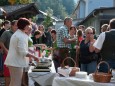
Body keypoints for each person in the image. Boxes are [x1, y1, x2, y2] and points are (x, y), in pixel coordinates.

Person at [4, 18, 39, 86]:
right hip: (16, 63)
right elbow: (22, 52)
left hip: (14, 62)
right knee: (16, 83)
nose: (29, 28)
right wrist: (34, 57)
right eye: (28, 26)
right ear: (25, 26)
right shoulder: (21, 36)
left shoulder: (19, 34)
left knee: (14, 83)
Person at [0, 20, 18, 86]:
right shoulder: (6, 33)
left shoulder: (19, 33)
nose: (17, 27)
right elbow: (1, 42)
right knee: (7, 74)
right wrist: (5, 49)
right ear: (12, 25)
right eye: (16, 25)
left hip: (17, 56)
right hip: (8, 56)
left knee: (15, 74)